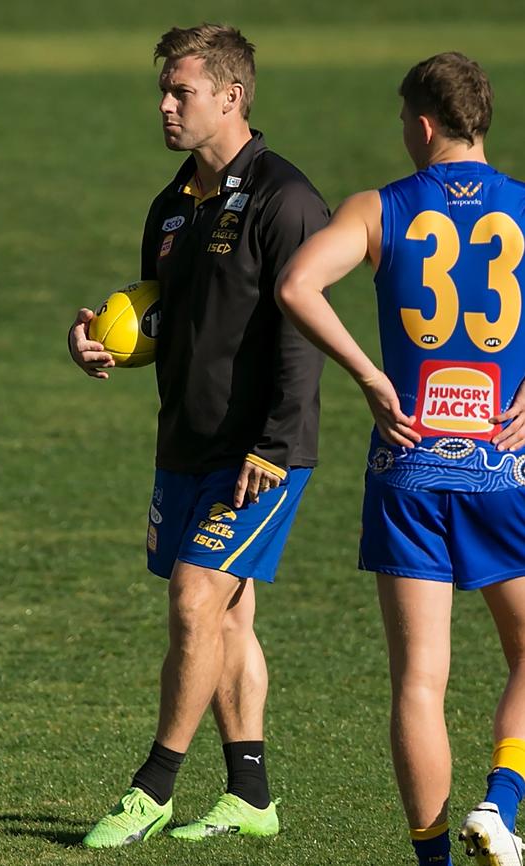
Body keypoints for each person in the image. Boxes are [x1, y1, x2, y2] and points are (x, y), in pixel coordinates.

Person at [68, 23, 328, 848]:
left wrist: (274, 447)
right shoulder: (171, 207)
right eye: (166, 90)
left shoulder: (287, 200)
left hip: (258, 457)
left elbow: (304, 336)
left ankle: (154, 787)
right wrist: (100, 341)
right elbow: (166, 325)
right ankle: (252, 794)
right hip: (183, 445)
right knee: (225, 621)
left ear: (232, 96)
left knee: (193, 603)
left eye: (181, 91)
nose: (166, 105)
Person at [277, 51, 525, 866]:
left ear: (422, 124)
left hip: (409, 469)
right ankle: (502, 800)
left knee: (420, 682)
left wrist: (371, 377)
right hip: (504, 471)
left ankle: (433, 864)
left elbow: (298, 286)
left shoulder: (379, 208)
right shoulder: (522, 209)